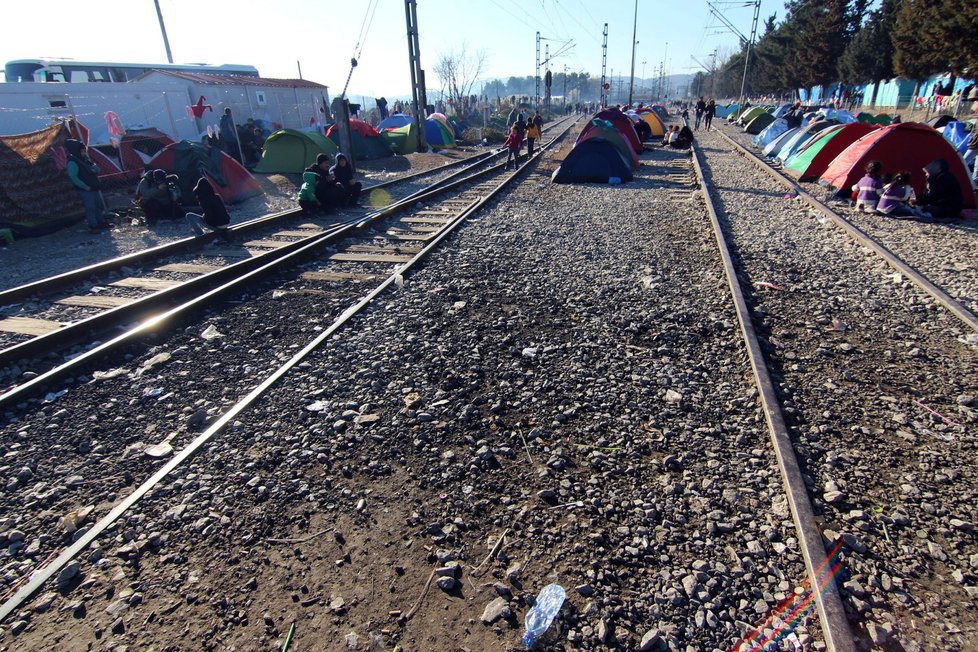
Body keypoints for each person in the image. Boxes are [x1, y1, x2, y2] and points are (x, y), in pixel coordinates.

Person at [64, 139, 110, 233]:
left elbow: (94, 169)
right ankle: (93, 225)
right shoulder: (72, 162)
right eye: (82, 150)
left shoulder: (85, 159)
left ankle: (100, 222)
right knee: (90, 207)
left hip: (93, 187)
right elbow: (73, 177)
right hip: (86, 189)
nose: (84, 152)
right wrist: (84, 186)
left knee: (98, 205)